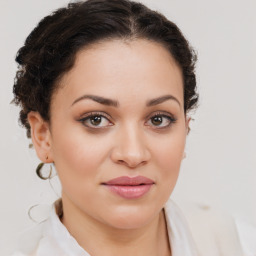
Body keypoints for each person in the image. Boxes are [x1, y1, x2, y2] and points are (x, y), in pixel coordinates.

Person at [11, 0, 255, 255]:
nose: (133, 154)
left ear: (185, 128)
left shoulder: (237, 243)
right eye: (96, 119)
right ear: (43, 136)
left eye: (158, 119)